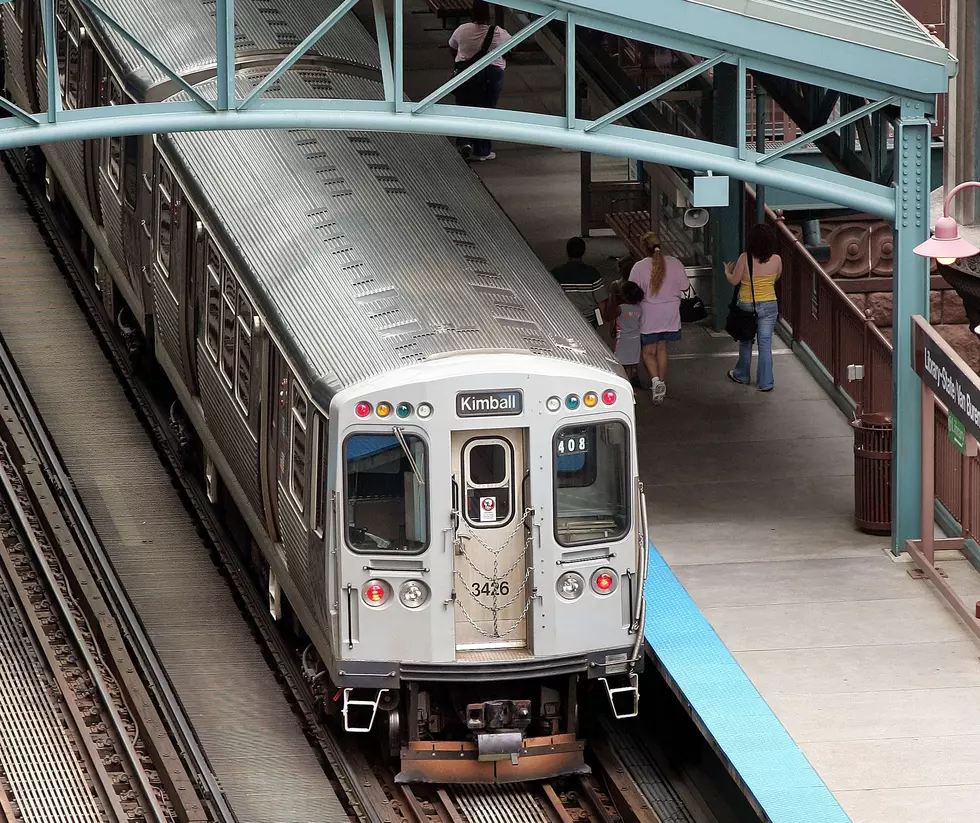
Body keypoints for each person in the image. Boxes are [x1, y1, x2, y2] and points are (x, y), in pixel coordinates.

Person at [629, 231, 689, 405]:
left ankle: (655, 382)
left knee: (648, 352)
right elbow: (685, 286)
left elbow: (632, 291)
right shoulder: (675, 263)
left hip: (649, 313)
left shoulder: (639, 267)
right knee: (662, 349)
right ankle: (661, 384)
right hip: (670, 313)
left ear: (644, 247)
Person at [449, 1, 511, 161]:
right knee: (486, 110)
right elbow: (511, 49)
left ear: (472, 14)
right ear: (489, 15)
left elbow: (452, 47)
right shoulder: (500, 33)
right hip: (493, 74)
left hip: (467, 73)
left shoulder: (462, 30)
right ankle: (482, 150)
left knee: (465, 107)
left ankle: (464, 143)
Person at [724, 223, 782, 392]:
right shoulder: (777, 259)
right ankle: (766, 382)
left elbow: (734, 281)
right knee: (765, 344)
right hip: (770, 304)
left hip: (748, 305)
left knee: (746, 341)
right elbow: (776, 276)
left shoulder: (745, 258)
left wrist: (727, 272)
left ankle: (742, 375)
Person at [550, 237, 607, 329]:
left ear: (567, 252)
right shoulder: (593, 273)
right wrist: (601, 320)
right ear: (583, 252)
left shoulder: (556, 274)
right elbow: (601, 302)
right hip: (589, 321)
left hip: (564, 319)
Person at [615, 281, 644, 387]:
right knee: (632, 363)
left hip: (623, 339)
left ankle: (623, 384)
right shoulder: (639, 308)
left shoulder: (620, 308)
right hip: (635, 339)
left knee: (621, 363)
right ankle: (631, 383)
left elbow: (610, 316)